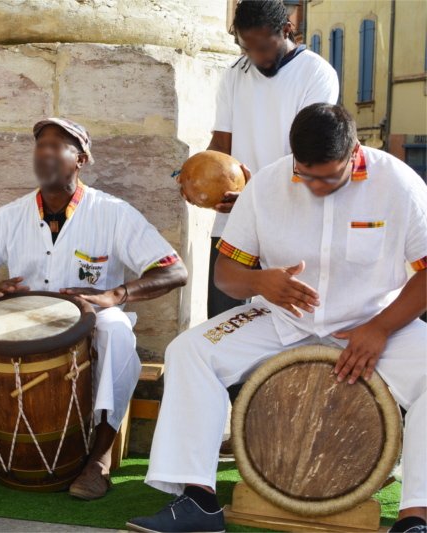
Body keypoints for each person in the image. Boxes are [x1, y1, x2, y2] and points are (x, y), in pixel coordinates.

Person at [129, 104, 427, 533]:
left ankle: (414, 517)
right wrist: (261, 283)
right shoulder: (267, 183)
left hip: (373, 323)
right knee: (190, 351)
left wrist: (380, 328)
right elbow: (227, 275)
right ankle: (199, 501)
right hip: (281, 320)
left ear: (354, 152)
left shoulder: (398, 184)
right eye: (306, 175)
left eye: (328, 177)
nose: (316, 187)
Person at [0, 118, 189, 500]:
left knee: (117, 330)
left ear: (81, 159)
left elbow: (174, 270)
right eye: (40, 146)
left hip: (90, 317)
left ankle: (98, 459)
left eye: (58, 146)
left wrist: (115, 295)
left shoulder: (113, 212)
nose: (46, 153)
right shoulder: (10, 216)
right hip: (22, 323)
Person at [197, 0, 339, 318]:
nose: (257, 57)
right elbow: (221, 145)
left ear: (286, 29)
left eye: (264, 47)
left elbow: (307, 153)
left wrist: (255, 197)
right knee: (222, 321)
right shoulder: (235, 74)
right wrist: (198, 176)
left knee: (289, 317)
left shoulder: (316, 73)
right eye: (247, 48)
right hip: (234, 217)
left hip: (292, 213)